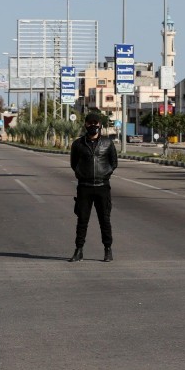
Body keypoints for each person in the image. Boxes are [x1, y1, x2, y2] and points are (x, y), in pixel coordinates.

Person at [68, 112, 118, 262]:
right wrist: (82, 174)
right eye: (90, 123)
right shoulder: (78, 144)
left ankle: (108, 250)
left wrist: (105, 174)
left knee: (105, 220)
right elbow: (74, 163)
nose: (93, 126)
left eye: (95, 123)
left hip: (102, 186)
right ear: (85, 124)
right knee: (82, 220)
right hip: (84, 187)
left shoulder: (107, 143)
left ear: (100, 125)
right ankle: (79, 250)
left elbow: (114, 163)